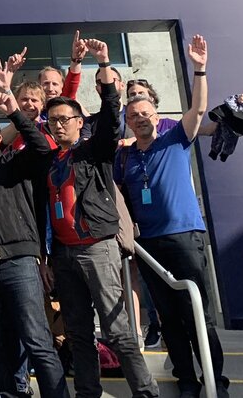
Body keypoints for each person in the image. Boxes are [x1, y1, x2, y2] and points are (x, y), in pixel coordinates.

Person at [43, 37, 158, 398]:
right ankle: (87, 393)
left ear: (79, 123)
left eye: (65, 120)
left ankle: (146, 392)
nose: (59, 126)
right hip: (64, 254)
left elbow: (110, 114)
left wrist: (104, 64)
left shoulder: (96, 150)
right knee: (77, 331)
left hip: (98, 248)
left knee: (117, 329)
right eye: (53, 121)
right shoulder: (50, 161)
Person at [115, 35, 228, 398]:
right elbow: (120, 199)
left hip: (184, 236)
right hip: (148, 245)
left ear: (156, 116)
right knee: (168, 318)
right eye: (134, 115)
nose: (141, 118)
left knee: (197, 314)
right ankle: (186, 381)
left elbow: (197, 109)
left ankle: (216, 380)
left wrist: (199, 68)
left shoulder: (175, 138)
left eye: (146, 113)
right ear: (128, 122)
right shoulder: (125, 157)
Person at [0, 60, 69, 398]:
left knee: (36, 339)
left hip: (17, 262)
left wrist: (15, 111)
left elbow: (43, 148)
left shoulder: (15, 164)